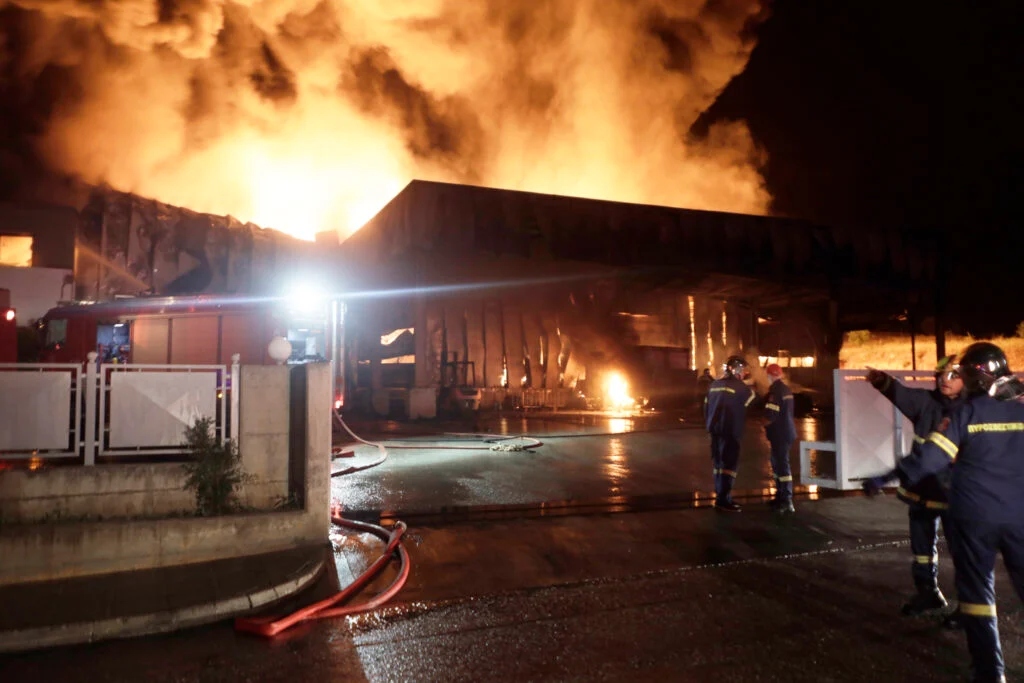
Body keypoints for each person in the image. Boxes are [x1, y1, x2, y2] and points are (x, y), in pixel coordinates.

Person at [863, 342, 1024, 683]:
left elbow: (930, 457)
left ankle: (990, 672)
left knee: (978, 592)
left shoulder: (967, 413)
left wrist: (885, 477)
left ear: (971, 378)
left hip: (975, 516)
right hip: (1020, 516)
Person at [866, 355, 965, 618]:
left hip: (954, 494)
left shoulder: (971, 410)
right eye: (941, 375)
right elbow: (900, 393)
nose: (944, 380)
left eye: (953, 375)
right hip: (922, 489)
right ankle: (927, 592)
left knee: (962, 551)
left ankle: (967, 605)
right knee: (921, 549)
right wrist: (881, 381)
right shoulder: (925, 401)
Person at [704, 355, 755, 512]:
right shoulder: (740, 387)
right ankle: (724, 499)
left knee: (718, 464)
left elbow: (706, 407)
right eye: (743, 370)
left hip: (714, 431)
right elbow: (752, 401)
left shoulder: (714, 385)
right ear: (737, 370)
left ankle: (719, 495)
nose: (744, 373)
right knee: (729, 465)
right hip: (731, 431)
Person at [764, 363, 797, 514]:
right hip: (786, 432)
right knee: (777, 465)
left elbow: (771, 415)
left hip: (779, 434)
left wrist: (762, 422)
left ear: (769, 375)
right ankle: (781, 496)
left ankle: (786, 500)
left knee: (781, 466)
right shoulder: (786, 389)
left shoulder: (775, 392)